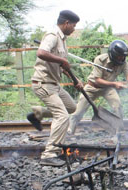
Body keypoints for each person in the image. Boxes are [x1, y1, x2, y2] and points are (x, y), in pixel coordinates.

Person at [27, 10, 82, 167]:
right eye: (73, 25)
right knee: (62, 116)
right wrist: (60, 60)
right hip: (43, 83)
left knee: (71, 107)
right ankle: (49, 154)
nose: (74, 29)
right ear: (66, 23)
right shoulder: (52, 35)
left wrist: (74, 80)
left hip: (54, 84)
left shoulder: (62, 39)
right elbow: (41, 53)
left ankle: (39, 113)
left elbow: (61, 64)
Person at [68, 40, 128, 135]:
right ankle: (70, 131)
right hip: (92, 87)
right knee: (78, 111)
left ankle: (119, 133)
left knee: (117, 106)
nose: (122, 58)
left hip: (107, 89)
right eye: (120, 56)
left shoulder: (123, 62)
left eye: (124, 56)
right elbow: (97, 80)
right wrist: (114, 84)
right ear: (113, 54)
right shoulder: (100, 59)